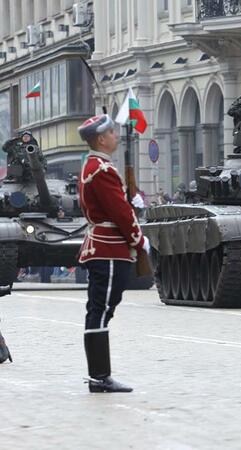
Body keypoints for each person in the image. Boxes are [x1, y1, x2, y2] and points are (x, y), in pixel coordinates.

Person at [77, 114, 151, 393]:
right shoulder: (102, 170)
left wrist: (130, 202)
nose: (116, 136)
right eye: (111, 133)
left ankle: (100, 375)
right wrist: (138, 238)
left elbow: (115, 205)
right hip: (109, 247)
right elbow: (118, 213)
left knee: (100, 310)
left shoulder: (93, 166)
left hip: (103, 244)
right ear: (100, 139)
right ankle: (99, 376)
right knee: (101, 310)